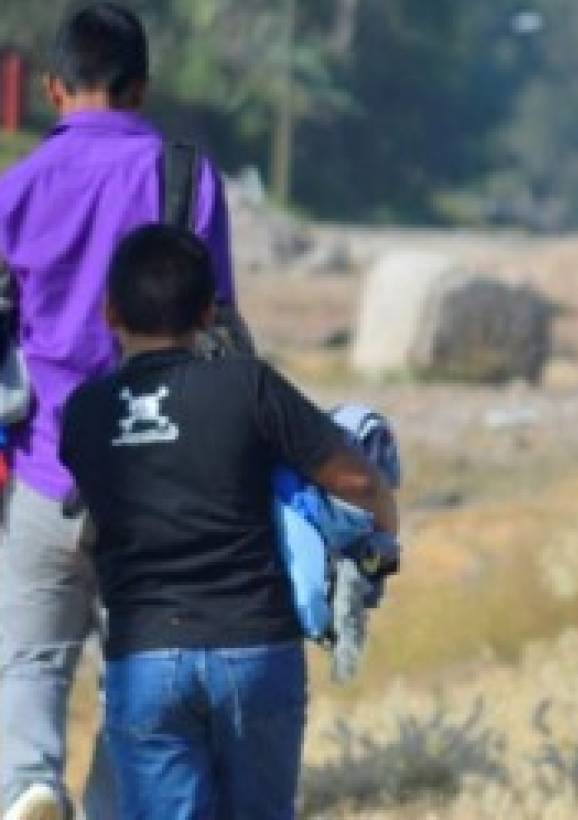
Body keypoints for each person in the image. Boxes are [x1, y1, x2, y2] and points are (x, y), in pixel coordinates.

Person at [59, 224, 398, 819]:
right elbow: (359, 480)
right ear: (209, 311)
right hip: (255, 649)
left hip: (145, 658)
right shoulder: (248, 386)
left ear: (109, 309)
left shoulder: (84, 412)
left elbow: (85, 529)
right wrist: (382, 545)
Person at [0, 0, 235, 820]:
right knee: (140, 668)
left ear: (55, 90)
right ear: (141, 88)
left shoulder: (16, 188)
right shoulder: (184, 176)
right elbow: (220, 325)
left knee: (29, 656)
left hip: (43, 467)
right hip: (158, 480)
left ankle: (30, 783)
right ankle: (109, 805)